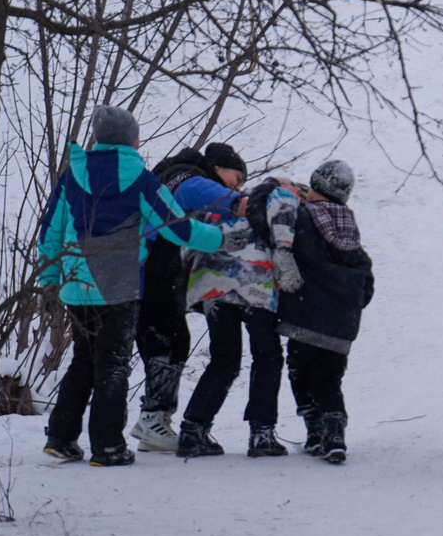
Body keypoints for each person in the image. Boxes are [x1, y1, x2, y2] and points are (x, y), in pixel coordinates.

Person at [34, 106, 228, 467]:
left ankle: (61, 438)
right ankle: (107, 446)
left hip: (77, 286)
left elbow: (50, 231)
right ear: (133, 141)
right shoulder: (140, 179)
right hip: (119, 286)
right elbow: (177, 227)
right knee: (113, 364)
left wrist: (48, 281)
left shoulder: (72, 175)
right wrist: (219, 238)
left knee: (83, 361)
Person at [178, 161, 304, 459]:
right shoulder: (281, 193)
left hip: (212, 284)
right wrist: (285, 252)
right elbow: (284, 213)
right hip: (254, 284)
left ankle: (192, 430)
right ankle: (261, 434)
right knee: (267, 357)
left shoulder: (227, 200)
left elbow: (196, 232)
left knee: (224, 359)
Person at [132, 140, 245, 452]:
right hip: (153, 271)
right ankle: (153, 419)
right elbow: (214, 196)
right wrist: (250, 202)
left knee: (165, 337)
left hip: (142, 270)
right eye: (237, 178)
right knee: (168, 340)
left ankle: (153, 424)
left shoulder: (170, 173)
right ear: (219, 168)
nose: (237, 185)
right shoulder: (191, 178)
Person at [280, 160, 375, 465]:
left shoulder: (304, 219)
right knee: (329, 379)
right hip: (339, 325)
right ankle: (334, 433)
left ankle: (314, 429)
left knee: (300, 372)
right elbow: (366, 282)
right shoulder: (349, 227)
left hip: (306, 317)